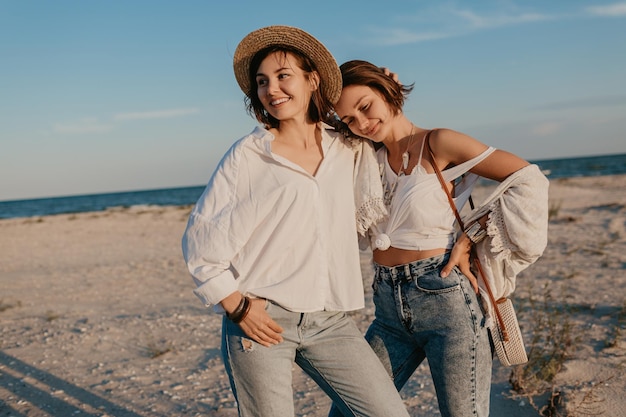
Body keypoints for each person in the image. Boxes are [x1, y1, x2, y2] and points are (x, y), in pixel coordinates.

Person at [181, 27, 410, 417]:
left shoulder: (347, 147)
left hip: (332, 321)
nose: (272, 89)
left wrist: (386, 89)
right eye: (262, 81)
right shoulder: (248, 156)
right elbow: (200, 241)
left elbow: (389, 135)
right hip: (261, 319)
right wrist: (237, 308)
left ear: (312, 80)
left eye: (283, 75)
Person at [330, 60, 549, 417]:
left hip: (445, 298)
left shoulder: (439, 142)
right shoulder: (367, 158)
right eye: (350, 119)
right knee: (348, 411)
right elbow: (318, 131)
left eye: (365, 106)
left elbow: (527, 179)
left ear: (386, 94)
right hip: (387, 307)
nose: (361, 122)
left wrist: (470, 236)